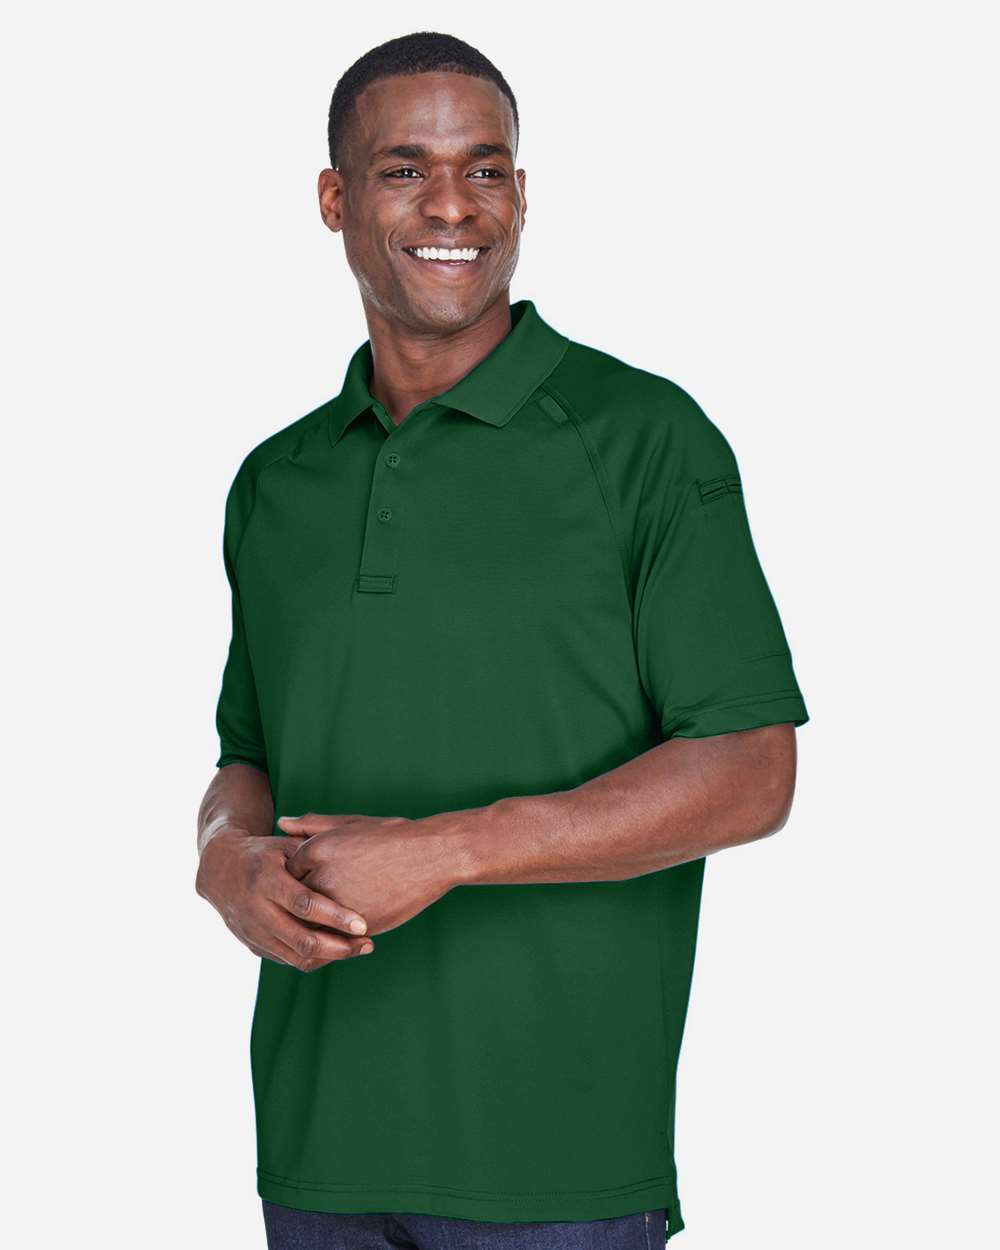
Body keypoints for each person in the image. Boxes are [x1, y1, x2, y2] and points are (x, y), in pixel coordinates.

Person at [195, 29, 810, 1250]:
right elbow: (249, 752)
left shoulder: (645, 439)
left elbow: (752, 768)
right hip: (316, 1146)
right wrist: (222, 857)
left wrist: (446, 850)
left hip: (558, 1166)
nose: (452, 205)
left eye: (484, 169)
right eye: (403, 169)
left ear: (521, 196)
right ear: (333, 199)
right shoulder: (277, 480)